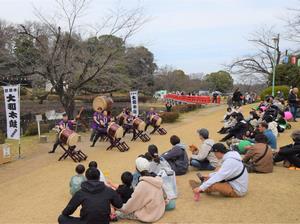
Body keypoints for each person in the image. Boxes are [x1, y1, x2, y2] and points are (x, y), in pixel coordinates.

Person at [58, 167, 123, 224]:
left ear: (86, 177)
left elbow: (66, 212)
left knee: (62, 218)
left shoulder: (80, 193)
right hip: (104, 222)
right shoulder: (109, 191)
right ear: (99, 177)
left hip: (86, 222)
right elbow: (119, 204)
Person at [117, 157, 165, 223]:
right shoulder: (156, 178)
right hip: (160, 209)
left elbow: (130, 206)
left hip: (151, 214)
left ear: (137, 168)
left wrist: (120, 208)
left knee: (118, 213)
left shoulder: (142, 185)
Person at [146, 145, 177, 211]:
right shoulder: (162, 159)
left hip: (159, 183)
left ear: (149, 152)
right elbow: (170, 168)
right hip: (169, 181)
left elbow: (149, 174)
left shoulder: (150, 163)